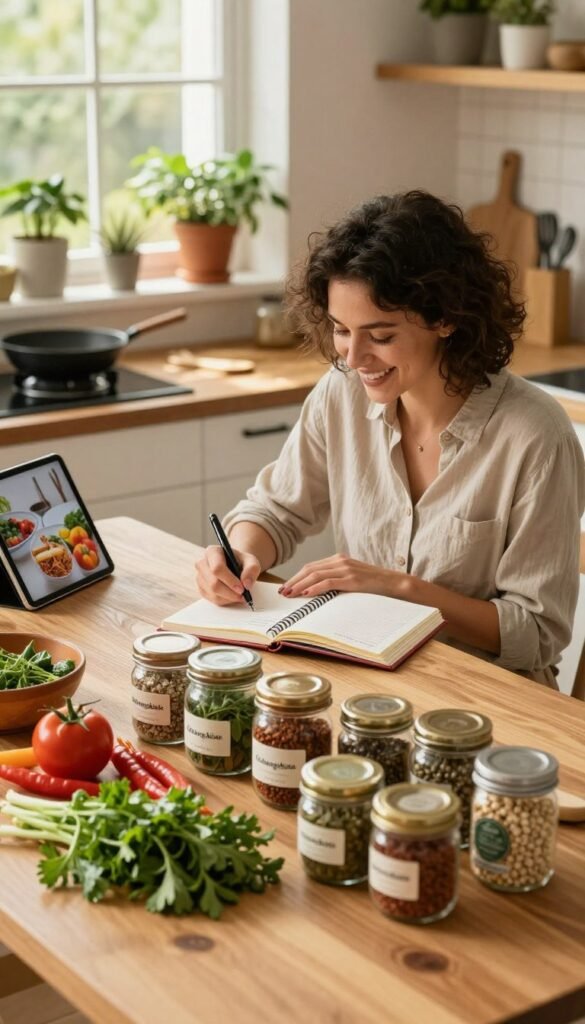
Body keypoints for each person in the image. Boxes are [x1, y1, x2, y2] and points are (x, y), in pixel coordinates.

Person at [195, 191, 585, 686]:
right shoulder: (340, 395)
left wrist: (399, 588)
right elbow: (276, 511)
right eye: (341, 330)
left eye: (379, 337)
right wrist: (238, 556)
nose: (354, 357)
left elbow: (537, 631)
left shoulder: (535, 437)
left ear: (446, 318)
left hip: (489, 701)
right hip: (370, 681)